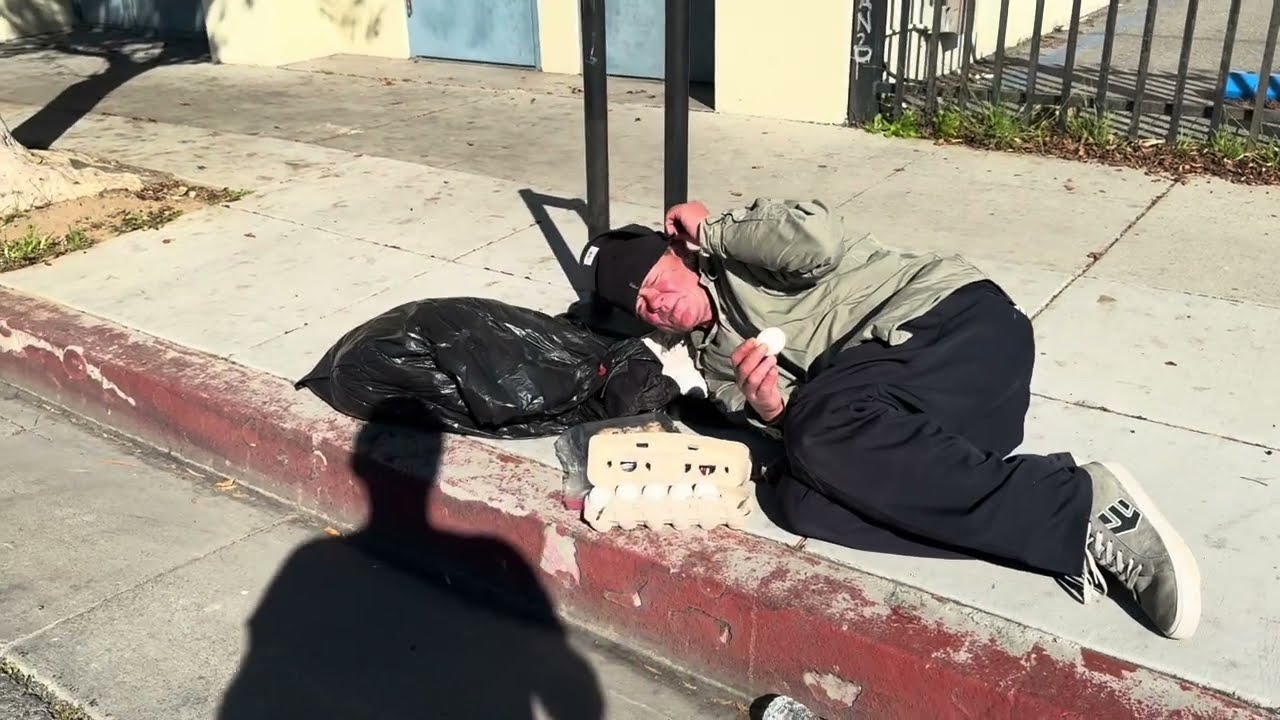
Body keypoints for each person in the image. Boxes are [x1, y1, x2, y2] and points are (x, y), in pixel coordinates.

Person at [583, 197, 1201, 640]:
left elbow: (818, 239)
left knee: (818, 430)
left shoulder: (744, 252)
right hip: (948, 424)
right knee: (799, 501)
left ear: (679, 255)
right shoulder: (715, 363)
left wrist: (714, 231)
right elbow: (797, 426)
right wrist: (771, 408)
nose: (658, 304)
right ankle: (1057, 519)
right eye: (643, 305)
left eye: (657, 281)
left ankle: (1072, 507)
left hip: (956, 327)